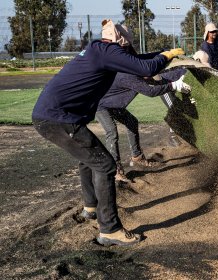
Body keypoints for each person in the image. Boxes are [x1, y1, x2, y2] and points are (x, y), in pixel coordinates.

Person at [32, 19, 184, 247]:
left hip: (51, 116)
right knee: (105, 165)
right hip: (58, 119)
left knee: (89, 160)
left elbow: (138, 61)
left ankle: (90, 207)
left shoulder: (99, 49)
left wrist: (163, 53)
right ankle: (110, 229)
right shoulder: (107, 51)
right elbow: (145, 68)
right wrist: (168, 54)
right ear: (121, 43)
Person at [96, 25, 191, 182]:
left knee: (132, 121)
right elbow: (151, 91)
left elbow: (143, 59)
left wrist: (166, 54)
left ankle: (137, 157)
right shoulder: (124, 72)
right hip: (101, 104)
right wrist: (174, 85)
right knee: (112, 132)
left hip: (115, 103)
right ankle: (116, 170)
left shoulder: (127, 60)